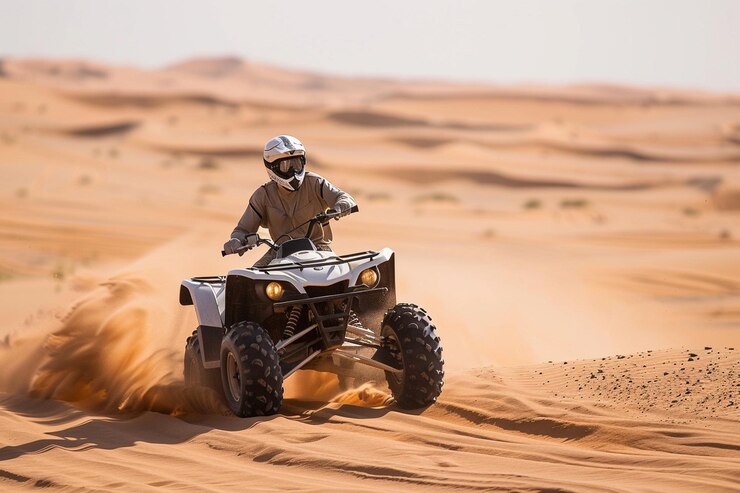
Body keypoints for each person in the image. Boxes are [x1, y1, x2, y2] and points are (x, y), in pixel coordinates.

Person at [223, 135, 357, 267]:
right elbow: (243, 229)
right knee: (250, 281)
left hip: (319, 248)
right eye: (286, 166)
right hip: (280, 251)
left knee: (341, 275)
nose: (294, 171)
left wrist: (340, 207)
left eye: (297, 164)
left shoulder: (316, 183)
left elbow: (344, 197)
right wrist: (236, 241)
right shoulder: (263, 195)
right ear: (272, 167)